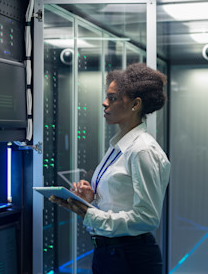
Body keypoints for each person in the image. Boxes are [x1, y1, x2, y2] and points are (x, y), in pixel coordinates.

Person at [50, 63, 171, 274]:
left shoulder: (142, 150)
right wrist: (91, 200)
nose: (104, 103)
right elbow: (118, 203)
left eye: (113, 98)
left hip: (130, 258)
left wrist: (90, 214)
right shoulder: (118, 146)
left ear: (135, 104)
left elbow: (147, 218)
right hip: (109, 254)